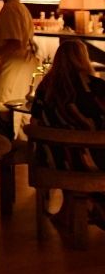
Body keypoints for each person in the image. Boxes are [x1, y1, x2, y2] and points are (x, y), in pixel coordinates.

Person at [30, 39, 105, 228]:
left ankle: (72, 211)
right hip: (94, 161)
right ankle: (94, 209)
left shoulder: (44, 89)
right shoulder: (96, 88)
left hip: (53, 159)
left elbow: (34, 123)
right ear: (83, 59)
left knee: (69, 153)